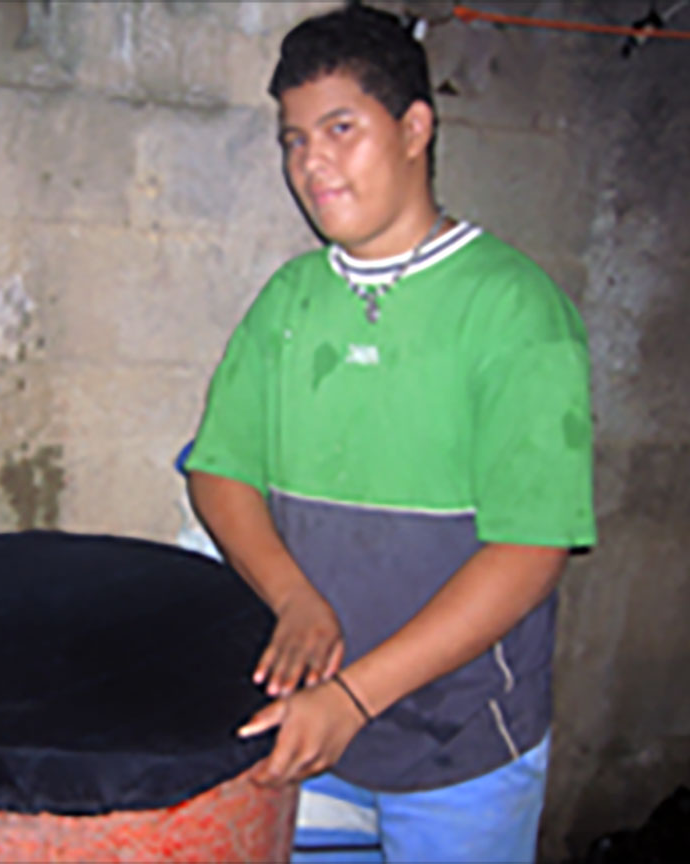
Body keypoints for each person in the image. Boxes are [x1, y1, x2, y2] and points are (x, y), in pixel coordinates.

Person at [182, 5, 596, 863]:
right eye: (294, 139)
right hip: (308, 728)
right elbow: (220, 471)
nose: (312, 162)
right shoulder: (289, 302)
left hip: (463, 749)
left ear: (415, 128)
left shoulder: (514, 309)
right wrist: (293, 596)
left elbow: (530, 550)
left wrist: (357, 697)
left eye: (341, 127)